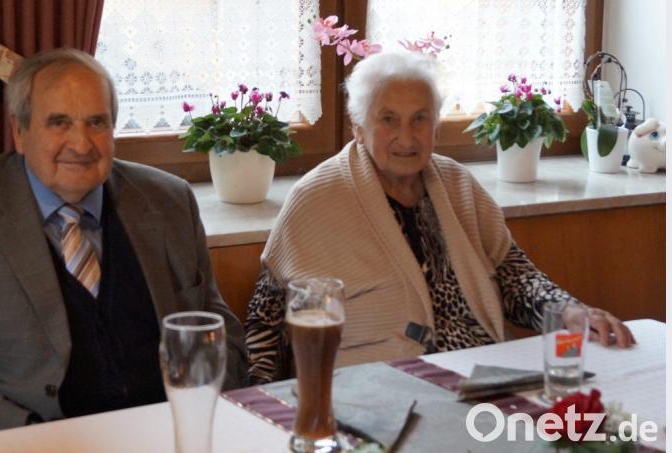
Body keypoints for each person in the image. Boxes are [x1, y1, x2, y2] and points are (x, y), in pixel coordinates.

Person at [0, 48, 247, 441]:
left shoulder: (169, 200)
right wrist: (44, 444)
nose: (81, 144)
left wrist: (190, 418)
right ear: (19, 131)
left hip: (169, 434)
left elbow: (220, 335)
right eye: (59, 122)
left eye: (96, 122)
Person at [244, 51, 634, 385]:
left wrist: (568, 310)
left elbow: (515, 276)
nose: (407, 137)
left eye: (420, 119)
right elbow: (266, 321)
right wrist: (261, 404)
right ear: (358, 127)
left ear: (436, 124)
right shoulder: (317, 197)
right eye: (388, 120)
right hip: (373, 388)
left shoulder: (457, 184)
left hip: (483, 379)